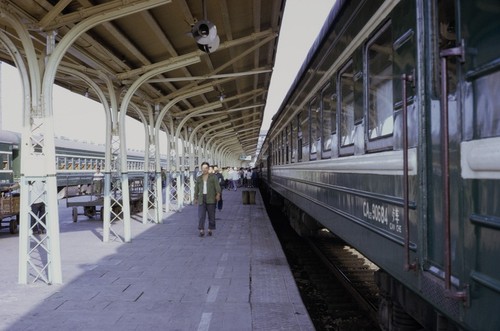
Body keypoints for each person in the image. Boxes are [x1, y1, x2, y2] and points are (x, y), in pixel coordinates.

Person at [194, 162, 221, 237]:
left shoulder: (213, 177)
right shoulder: (199, 178)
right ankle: (201, 230)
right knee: (201, 215)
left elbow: (217, 186)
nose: (204, 169)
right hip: (202, 198)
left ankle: (210, 229)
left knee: (211, 215)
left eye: (206, 168)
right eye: (203, 168)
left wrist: (218, 194)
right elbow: (196, 189)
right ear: (201, 169)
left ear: (208, 168)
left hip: (211, 198)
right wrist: (195, 198)